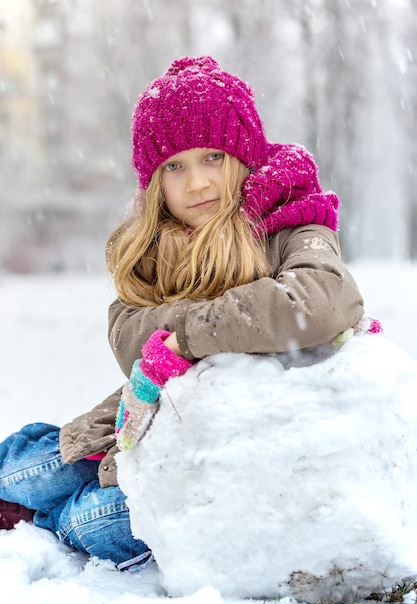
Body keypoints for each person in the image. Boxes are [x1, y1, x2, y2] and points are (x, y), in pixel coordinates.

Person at [0, 56, 369, 570]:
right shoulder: (156, 245)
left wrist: (188, 335)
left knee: (95, 522)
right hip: (139, 425)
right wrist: (239, 320)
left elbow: (320, 300)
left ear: (243, 156)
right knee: (30, 471)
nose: (196, 183)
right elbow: (131, 335)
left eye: (213, 156)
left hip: (221, 456)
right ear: (155, 183)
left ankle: (45, 521)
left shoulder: (291, 222)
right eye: (174, 166)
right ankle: (28, 495)